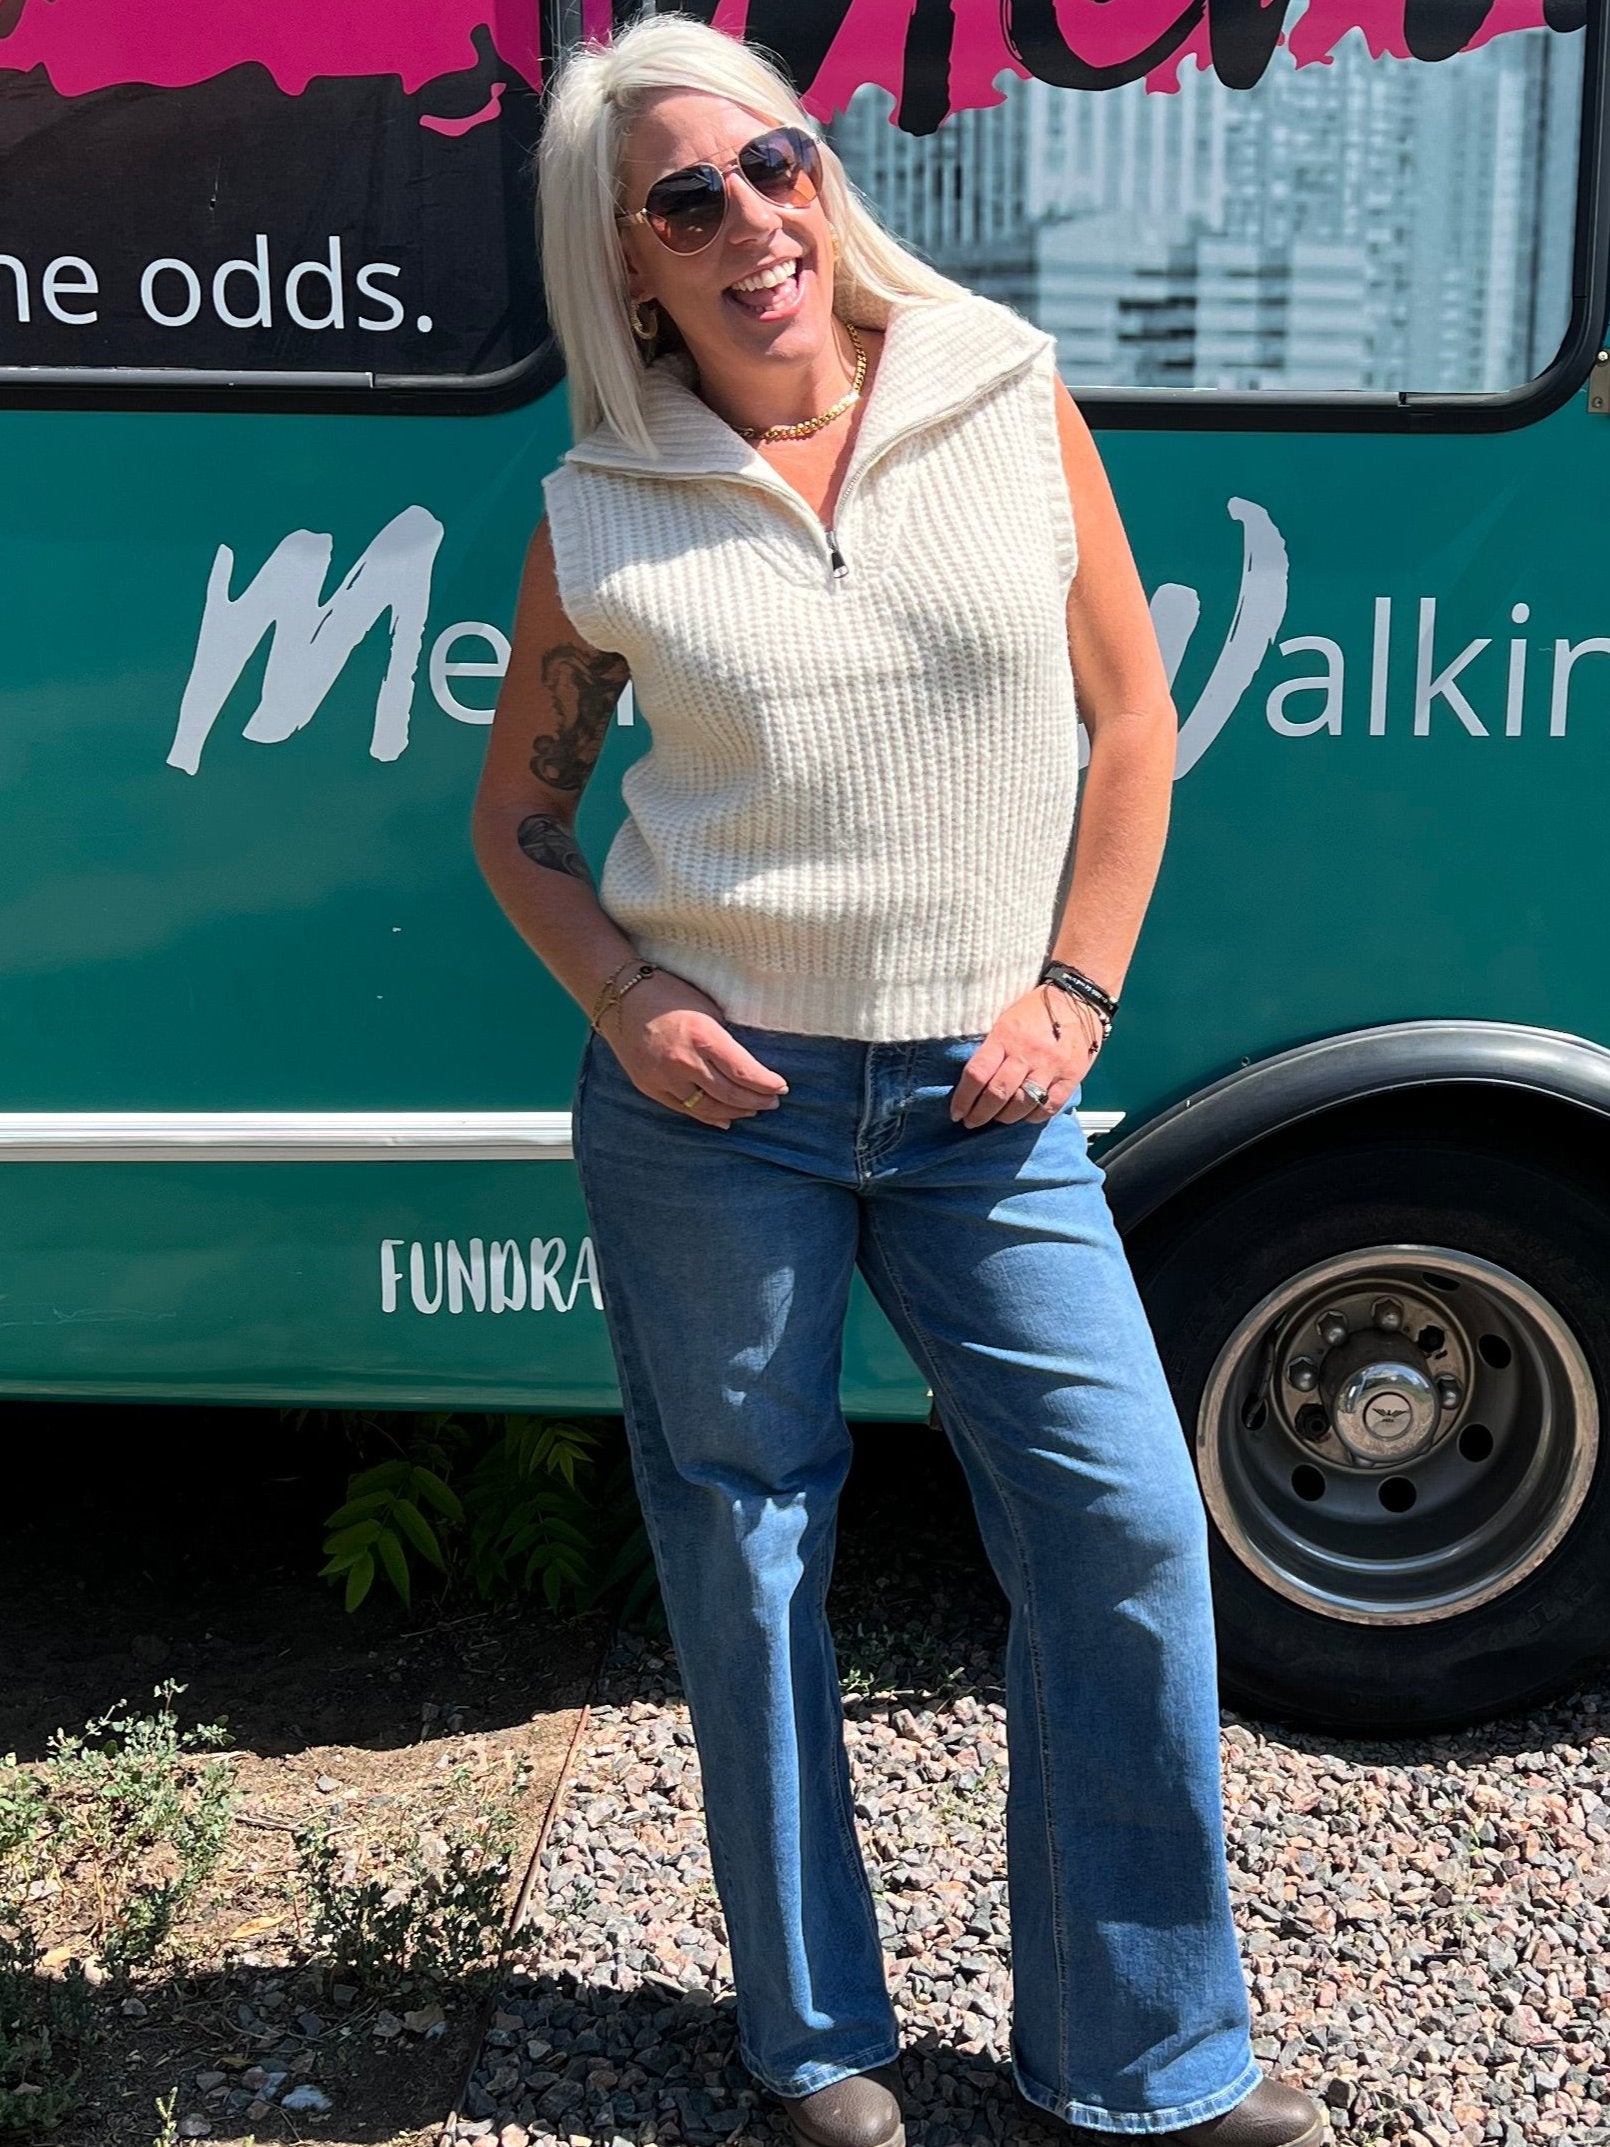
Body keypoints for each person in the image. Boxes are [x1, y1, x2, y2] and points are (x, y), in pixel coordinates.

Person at [472, 14, 1328, 2146]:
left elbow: (1128, 726)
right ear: (629, 254)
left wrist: (1075, 992)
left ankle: (1142, 2059)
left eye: (773, 163)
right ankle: (814, 2042)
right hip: (714, 1114)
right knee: (746, 1550)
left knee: (1125, 1529)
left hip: (985, 1099)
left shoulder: (999, 397)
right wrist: (620, 1001)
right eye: (690, 199)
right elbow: (520, 828)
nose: (753, 220)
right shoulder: (599, 511)